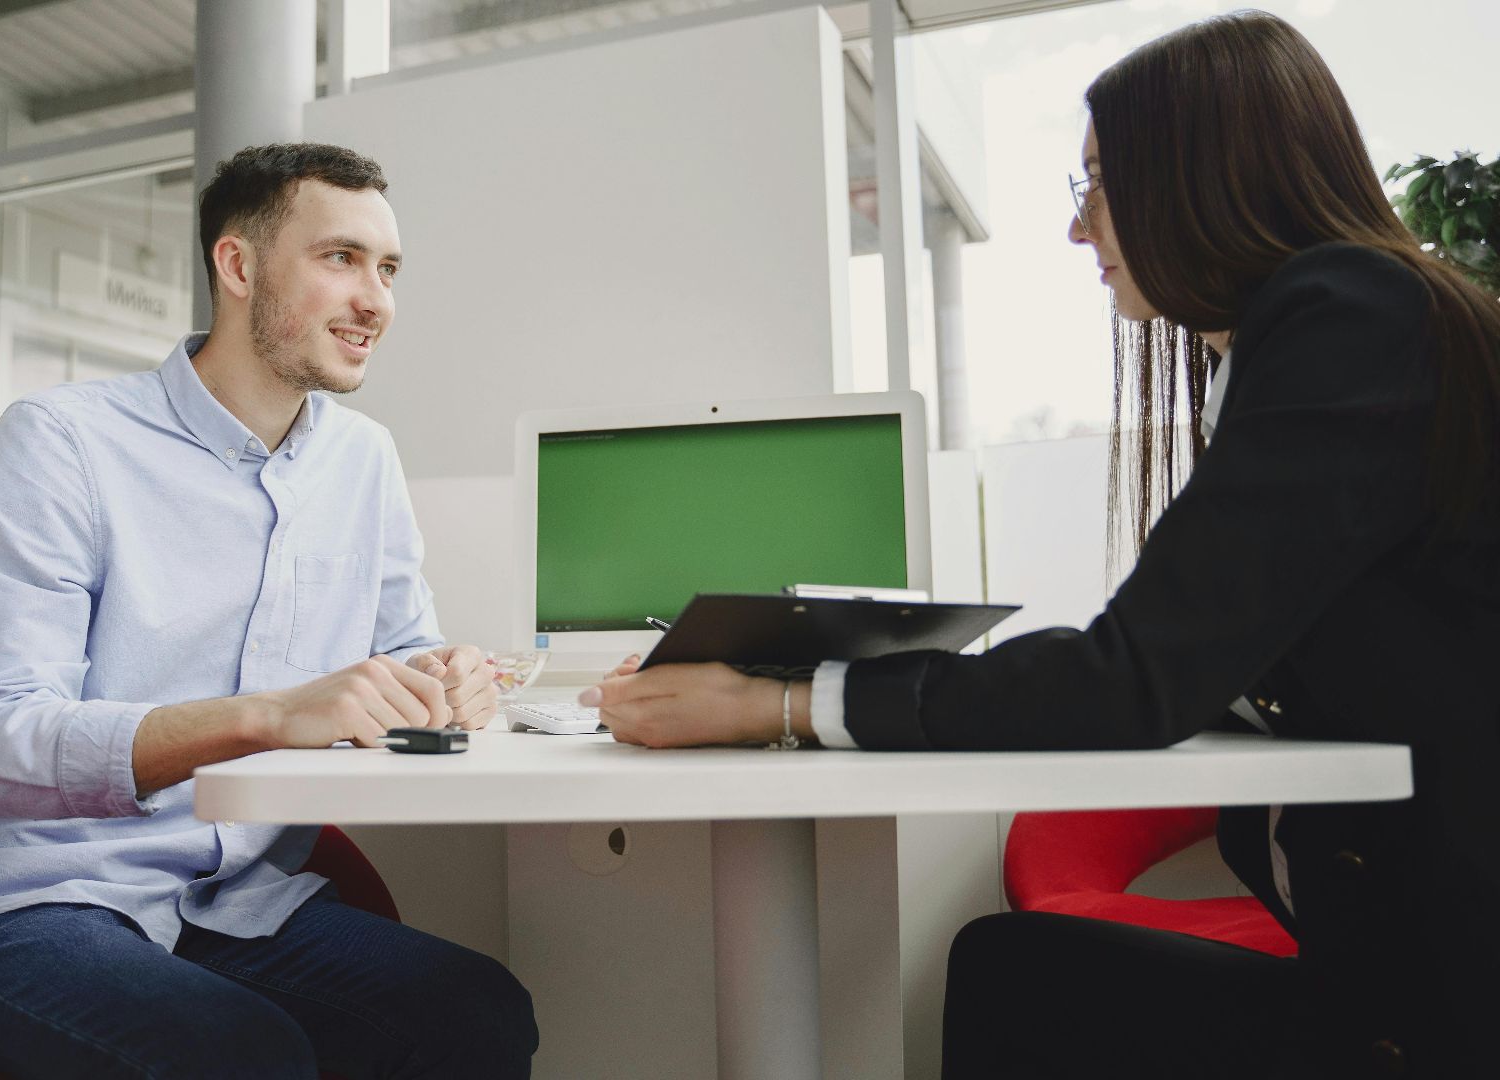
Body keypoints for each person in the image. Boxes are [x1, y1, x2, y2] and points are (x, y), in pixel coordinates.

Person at [577, 12, 1499, 1078]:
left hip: (1439, 999)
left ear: (1197, 171)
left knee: (1016, 978)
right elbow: (1203, 667)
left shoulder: (1347, 316)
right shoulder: (1337, 327)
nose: (1082, 230)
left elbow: (1139, 679)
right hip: (1395, 958)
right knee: (1018, 971)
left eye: (1098, 183)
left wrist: (776, 705)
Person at [0, 143, 538, 1080]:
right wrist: (268, 717)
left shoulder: (363, 459)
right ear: (236, 267)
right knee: (241, 1055)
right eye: (341, 259)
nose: (376, 300)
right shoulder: (61, 442)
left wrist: (443, 677)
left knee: (475, 1014)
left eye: (388, 269)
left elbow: (401, 648)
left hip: (231, 897)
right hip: (25, 902)